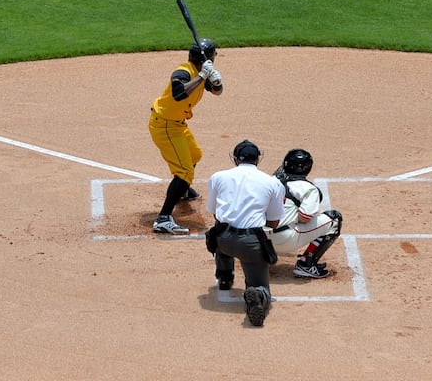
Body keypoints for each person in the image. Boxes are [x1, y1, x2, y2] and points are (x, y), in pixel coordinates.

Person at [203, 139, 286, 327]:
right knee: (261, 286)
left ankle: (224, 277)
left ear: (235, 159)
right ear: (258, 159)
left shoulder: (218, 177)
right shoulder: (272, 183)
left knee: (220, 229)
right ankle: (257, 295)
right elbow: (273, 223)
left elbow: (216, 212)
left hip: (223, 240)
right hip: (251, 244)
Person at [147, 37, 223, 234]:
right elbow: (179, 94)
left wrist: (215, 81)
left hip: (177, 125)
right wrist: (202, 76)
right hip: (165, 126)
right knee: (184, 171)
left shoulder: (201, 71)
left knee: (195, 155)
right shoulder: (183, 71)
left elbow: (217, 92)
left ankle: (182, 190)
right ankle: (163, 218)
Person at [269, 148, 345, 279]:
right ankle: (306, 265)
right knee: (334, 220)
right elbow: (305, 218)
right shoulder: (308, 188)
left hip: (257, 240)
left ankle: (259, 259)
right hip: (285, 240)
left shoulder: (268, 181)